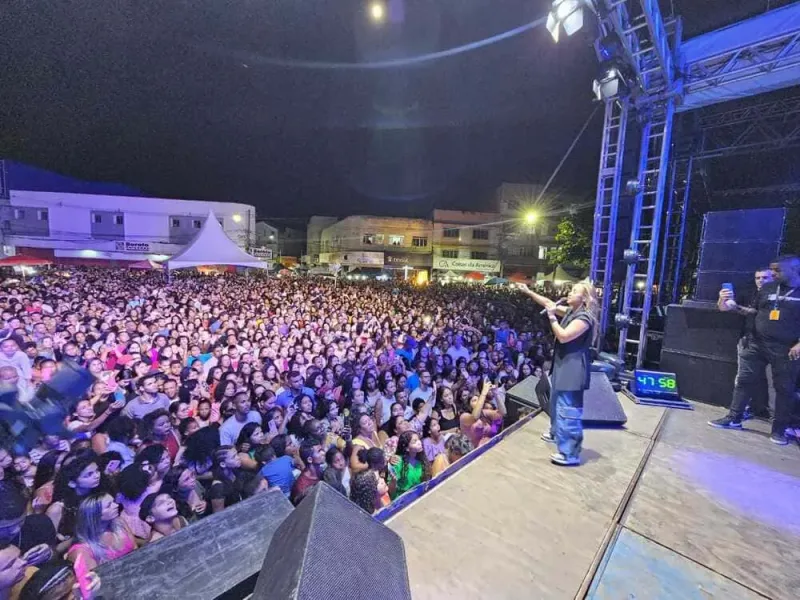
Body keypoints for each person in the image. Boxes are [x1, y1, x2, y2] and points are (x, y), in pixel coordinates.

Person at [710, 255, 800, 445]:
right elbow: (754, 311)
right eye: (772, 270)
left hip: (785, 348)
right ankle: (734, 417)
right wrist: (735, 307)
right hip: (757, 343)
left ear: (793, 269)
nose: (773, 274)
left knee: (784, 389)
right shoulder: (768, 289)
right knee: (744, 381)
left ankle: (779, 431)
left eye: (777, 270)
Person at [517, 281, 598, 466]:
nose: (569, 293)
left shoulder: (584, 318)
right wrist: (529, 292)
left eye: (574, 291)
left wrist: (552, 318)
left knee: (567, 409)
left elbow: (563, 336)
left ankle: (570, 453)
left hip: (573, 368)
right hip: (563, 365)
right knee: (556, 402)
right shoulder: (572, 312)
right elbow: (548, 303)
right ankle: (555, 433)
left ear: (584, 298)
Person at [66, 493, 135, 570]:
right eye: (109, 506)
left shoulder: (119, 523)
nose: (116, 505)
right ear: (95, 515)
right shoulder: (82, 551)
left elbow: (136, 549)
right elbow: (93, 578)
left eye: (113, 502)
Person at [388, 431, 430, 500]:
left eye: (419, 439)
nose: (419, 442)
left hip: (419, 496)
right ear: (407, 448)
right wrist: (393, 481)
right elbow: (391, 491)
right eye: (414, 442)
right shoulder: (397, 462)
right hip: (403, 500)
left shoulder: (422, 459)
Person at [290, 441, 324, 506]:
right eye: (319, 451)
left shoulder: (319, 469)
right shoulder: (302, 486)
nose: (323, 453)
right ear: (310, 460)